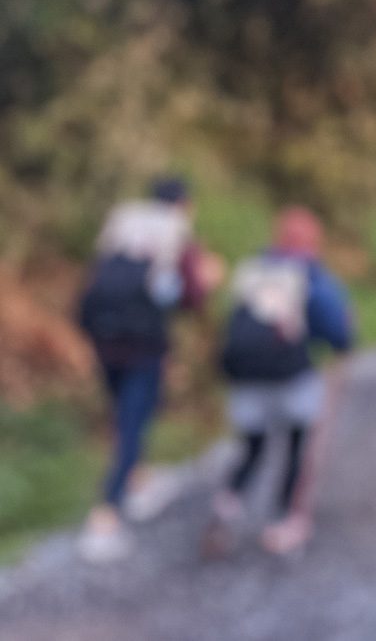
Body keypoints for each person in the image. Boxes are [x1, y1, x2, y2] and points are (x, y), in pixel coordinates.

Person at [76, 176, 221, 563]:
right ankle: (104, 520)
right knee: (134, 423)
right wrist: (207, 280)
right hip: (142, 347)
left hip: (104, 342)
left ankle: (137, 483)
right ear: (183, 203)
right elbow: (189, 295)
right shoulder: (174, 234)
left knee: (124, 416)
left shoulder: (124, 222)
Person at [206, 206, 354, 557]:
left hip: (246, 380)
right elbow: (337, 332)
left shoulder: (252, 271)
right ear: (311, 242)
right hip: (293, 380)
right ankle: (286, 522)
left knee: (252, 449)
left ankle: (227, 505)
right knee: (295, 450)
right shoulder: (311, 278)